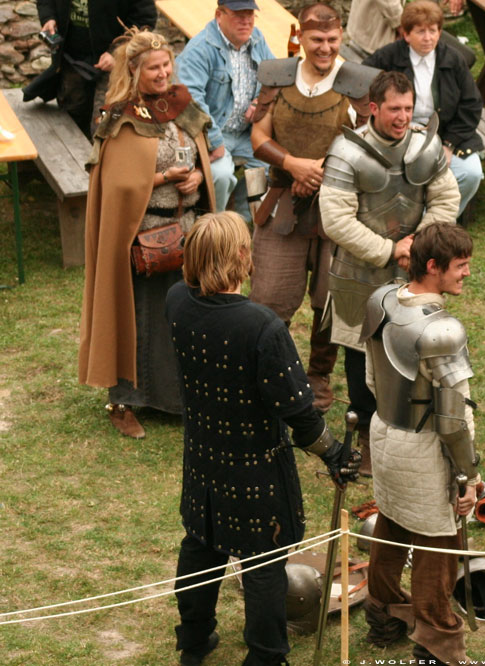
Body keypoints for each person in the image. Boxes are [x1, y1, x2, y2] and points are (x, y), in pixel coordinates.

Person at [166, 211, 360, 666]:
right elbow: (300, 414)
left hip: (202, 458)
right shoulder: (262, 327)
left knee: (200, 546)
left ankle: (193, 643)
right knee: (263, 567)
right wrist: (334, 452)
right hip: (255, 469)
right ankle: (266, 657)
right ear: (239, 255)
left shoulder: (177, 300)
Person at [78, 28, 215, 439]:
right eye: (153, 68)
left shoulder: (181, 106)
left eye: (166, 65)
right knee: (137, 316)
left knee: (181, 316)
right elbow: (117, 185)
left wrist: (193, 178)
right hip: (140, 240)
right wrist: (160, 179)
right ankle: (124, 402)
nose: (162, 73)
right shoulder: (120, 117)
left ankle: (175, 399)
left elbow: (202, 153)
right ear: (134, 70)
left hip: (186, 232)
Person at [320, 70, 460, 474]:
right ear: (374, 108)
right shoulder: (347, 152)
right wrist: (387, 249)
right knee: (359, 353)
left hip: (414, 272)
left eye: (408, 108)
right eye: (394, 109)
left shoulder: (423, 146)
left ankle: (412, 427)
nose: (402, 117)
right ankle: (366, 434)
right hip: (358, 275)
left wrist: (420, 243)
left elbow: (447, 196)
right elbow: (336, 220)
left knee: (417, 350)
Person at [359, 222, 482, 664]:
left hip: (385, 433)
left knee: (391, 524)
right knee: (438, 546)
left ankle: (384, 612)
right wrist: (470, 476)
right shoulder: (441, 332)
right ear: (433, 267)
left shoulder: (382, 300)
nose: (467, 273)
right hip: (425, 448)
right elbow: (451, 423)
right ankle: (437, 644)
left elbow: (371, 376)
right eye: (461, 267)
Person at [249, 3, 364, 414]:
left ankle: (317, 381)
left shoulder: (356, 82)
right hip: (283, 203)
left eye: (333, 40)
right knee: (268, 298)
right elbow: (259, 134)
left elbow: (367, 142)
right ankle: (271, 376)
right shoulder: (277, 77)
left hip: (338, 206)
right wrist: (292, 164)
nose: (325, 48)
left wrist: (323, 170)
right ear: (302, 36)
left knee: (329, 301)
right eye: (317, 39)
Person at [363, 1, 484, 216]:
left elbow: (471, 104)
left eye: (433, 31)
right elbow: (363, 86)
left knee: (471, 173)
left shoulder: (453, 58)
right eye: (420, 32)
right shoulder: (388, 56)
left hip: (447, 134)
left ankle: (435, 223)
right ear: (406, 34)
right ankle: (410, 223)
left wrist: (449, 145)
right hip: (399, 134)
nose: (428, 38)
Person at [176, 0, 275, 219]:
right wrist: (215, 141)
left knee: (267, 166)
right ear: (219, 15)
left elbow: (274, 77)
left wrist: (260, 101)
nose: (246, 21)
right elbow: (190, 99)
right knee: (220, 175)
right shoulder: (200, 48)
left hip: (246, 134)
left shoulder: (256, 38)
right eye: (239, 15)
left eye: (250, 14)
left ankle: (243, 225)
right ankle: (214, 230)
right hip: (213, 133)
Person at [29, 0, 157, 138]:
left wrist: (118, 51)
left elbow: (144, 18)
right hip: (71, 60)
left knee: (104, 128)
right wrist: (49, 17)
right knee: (71, 124)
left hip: (115, 68)